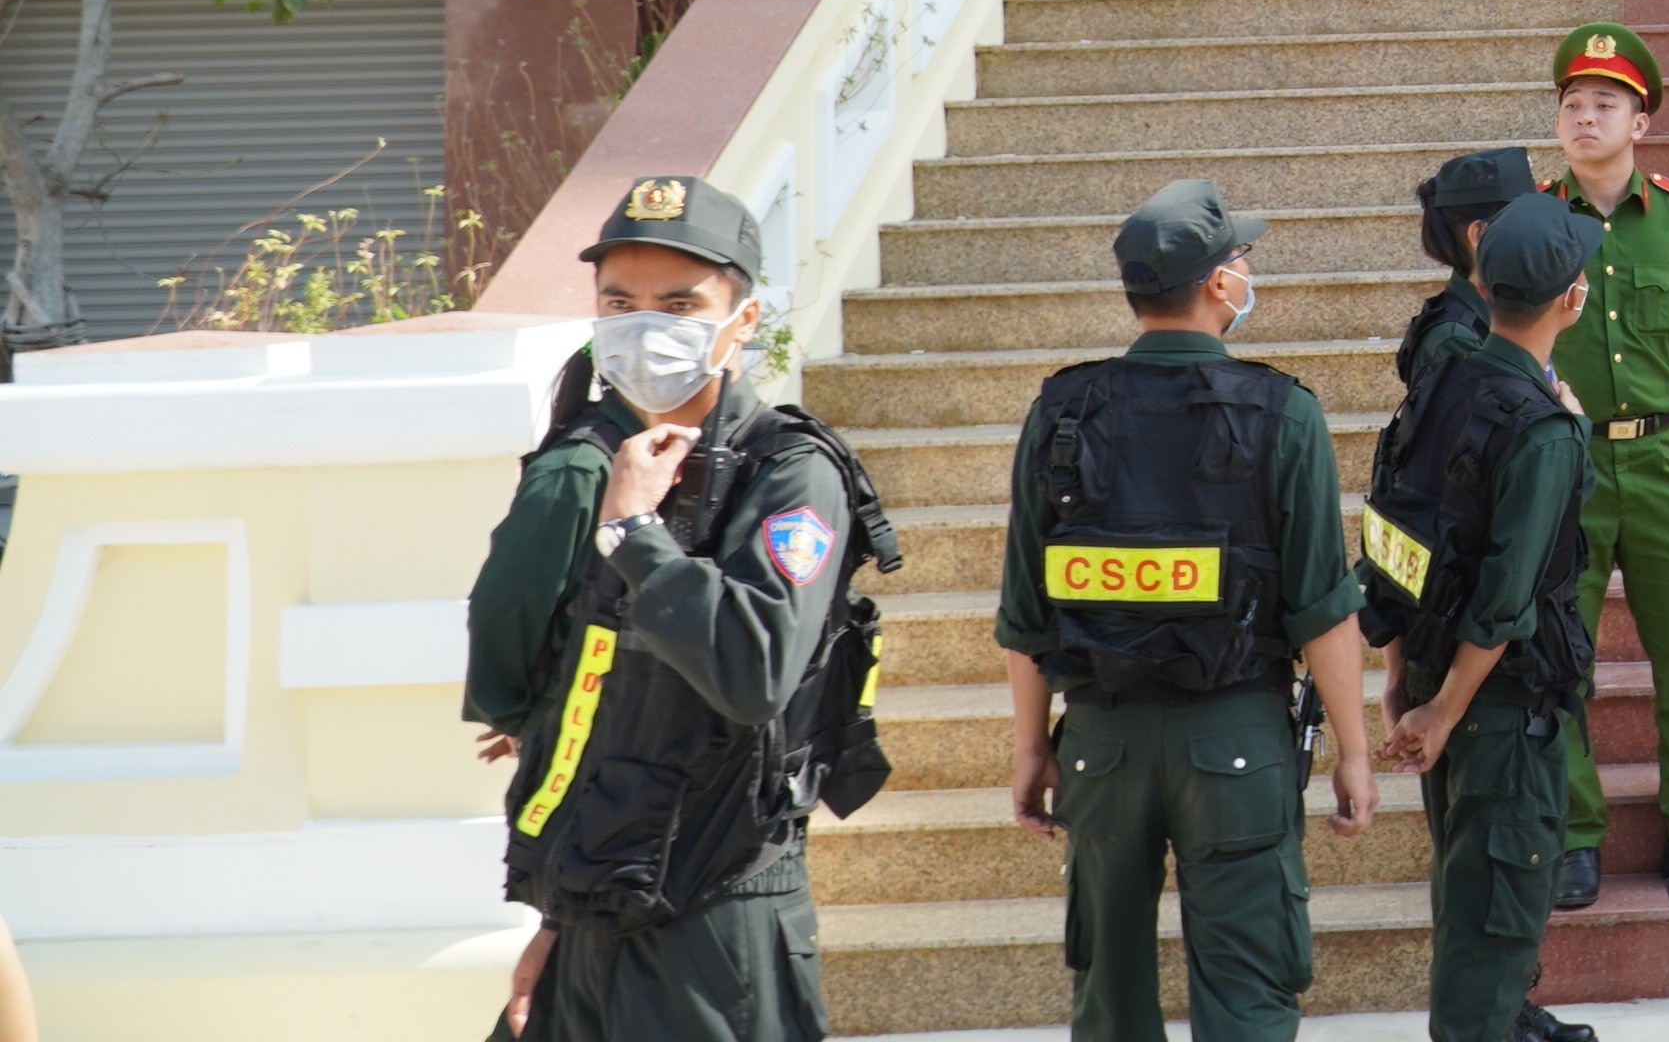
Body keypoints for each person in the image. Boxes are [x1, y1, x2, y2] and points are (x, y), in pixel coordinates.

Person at [469, 176, 891, 1042]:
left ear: (742, 320)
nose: (642, 325)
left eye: (678, 302)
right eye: (618, 301)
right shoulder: (602, 453)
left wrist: (634, 531)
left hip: (712, 917)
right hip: (597, 897)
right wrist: (559, 918)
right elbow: (611, 706)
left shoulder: (787, 473)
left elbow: (754, 667)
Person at [996, 180, 1375, 1042]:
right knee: (1248, 999)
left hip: (1099, 742)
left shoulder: (1063, 409)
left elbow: (1025, 610)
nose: (1245, 270)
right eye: (1239, 258)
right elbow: (1323, 608)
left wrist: (1028, 747)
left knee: (1110, 1001)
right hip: (1236, 741)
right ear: (1214, 284)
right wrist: (1354, 752)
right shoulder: (1285, 412)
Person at [1366, 194, 1600, 1042]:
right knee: (1493, 920)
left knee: (1470, 900)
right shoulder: (1545, 430)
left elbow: (1391, 532)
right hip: (1493, 709)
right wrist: (1443, 708)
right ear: (1572, 300)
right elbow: (1505, 600)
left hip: (1436, 676)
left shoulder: (1446, 378)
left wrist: (1403, 684)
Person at [1527, 23, 1669, 912]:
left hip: (1659, 458)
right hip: (1560, 461)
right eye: (1572, 104)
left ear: (1640, 122)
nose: (1585, 117)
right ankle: (1575, 832)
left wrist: (1652, 412)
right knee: (1559, 653)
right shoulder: (1532, 219)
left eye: (1605, 104)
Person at [1400, 144, 1541, 383]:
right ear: (1479, 234)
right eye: (1525, 220)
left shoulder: (1500, 312)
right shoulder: (1455, 339)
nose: (1540, 232)